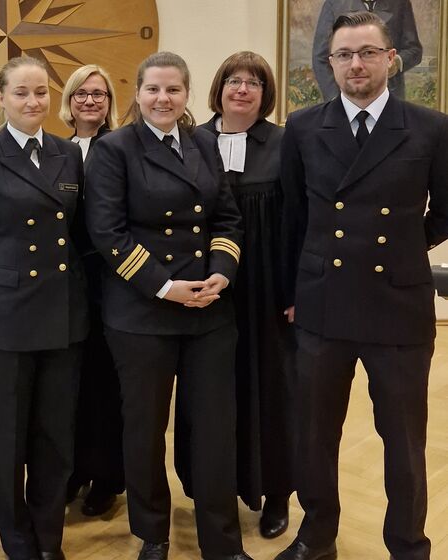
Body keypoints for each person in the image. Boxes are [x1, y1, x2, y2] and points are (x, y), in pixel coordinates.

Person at [276, 11, 448, 560]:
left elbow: (445, 211)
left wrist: (401, 247)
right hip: (322, 302)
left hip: (397, 305)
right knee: (314, 436)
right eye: (345, 54)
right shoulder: (304, 127)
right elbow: (292, 217)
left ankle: (408, 546)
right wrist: (290, 295)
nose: (356, 64)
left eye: (368, 52)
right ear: (330, 63)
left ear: (391, 59)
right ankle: (317, 536)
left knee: (404, 440)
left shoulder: (430, 127)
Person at [85, 51, 251, 560]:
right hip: (142, 314)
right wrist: (164, 286)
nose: (163, 99)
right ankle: (153, 533)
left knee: (215, 431)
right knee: (145, 429)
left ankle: (221, 542)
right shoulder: (114, 149)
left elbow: (227, 218)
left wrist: (222, 272)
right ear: (137, 94)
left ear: (186, 94)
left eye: (173, 89)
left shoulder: (205, 142)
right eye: (153, 89)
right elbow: (107, 232)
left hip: (208, 311)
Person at [0, 56, 88, 560]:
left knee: (55, 436)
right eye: (21, 93)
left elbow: (78, 234)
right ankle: (17, 539)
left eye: (41, 93)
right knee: (6, 438)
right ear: (2, 98)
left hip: (62, 313)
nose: (33, 102)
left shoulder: (66, 153)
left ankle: (49, 537)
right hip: (4, 317)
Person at [175, 51, 295, 539]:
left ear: (265, 94)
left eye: (254, 83)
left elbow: (299, 220)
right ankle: (212, 490)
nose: (242, 90)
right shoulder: (192, 140)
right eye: (233, 81)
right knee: (210, 392)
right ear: (218, 88)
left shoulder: (286, 144)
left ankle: (277, 492)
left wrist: (294, 291)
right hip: (205, 286)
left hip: (266, 288)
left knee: (272, 388)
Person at [58, 64, 125, 517]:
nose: (89, 101)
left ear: (109, 103)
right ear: (69, 100)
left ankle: (107, 478)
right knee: (72, 385)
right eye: (81, 93)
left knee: (107, 385)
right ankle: (73, 471)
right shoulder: (57, 150)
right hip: (67, 283)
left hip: (112, 281)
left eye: (99, 94)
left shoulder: (121, 147)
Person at [312, 0, 421, 101]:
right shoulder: (335, 3)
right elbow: (320, 57)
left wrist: (397, 62)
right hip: (346, 99)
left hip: (390, 96)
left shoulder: (400, 3)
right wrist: (334, 99)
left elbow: (414, 49)